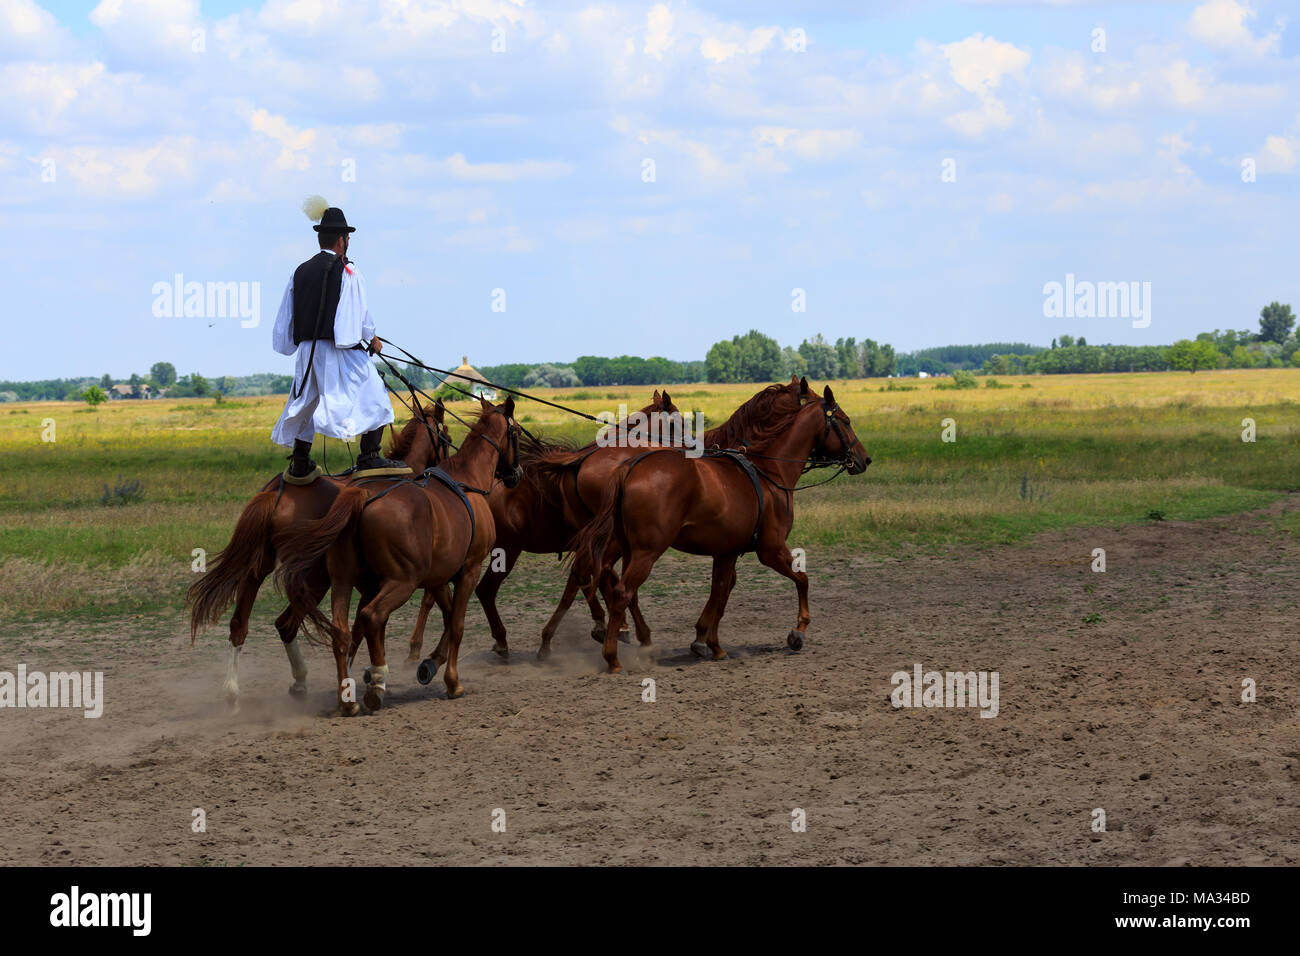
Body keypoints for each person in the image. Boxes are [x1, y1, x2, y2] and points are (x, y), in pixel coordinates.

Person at [270, 197, 408, 478]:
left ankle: (299, 460)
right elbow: (356, 316)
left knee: (305, 402)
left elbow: (286, 321)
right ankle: (369, 456)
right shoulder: (349, 271)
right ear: (342, 240)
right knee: (375, 396)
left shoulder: (299, 271)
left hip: (307, 351)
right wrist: (372, 338)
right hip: (337, 350)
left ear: (321, 239)